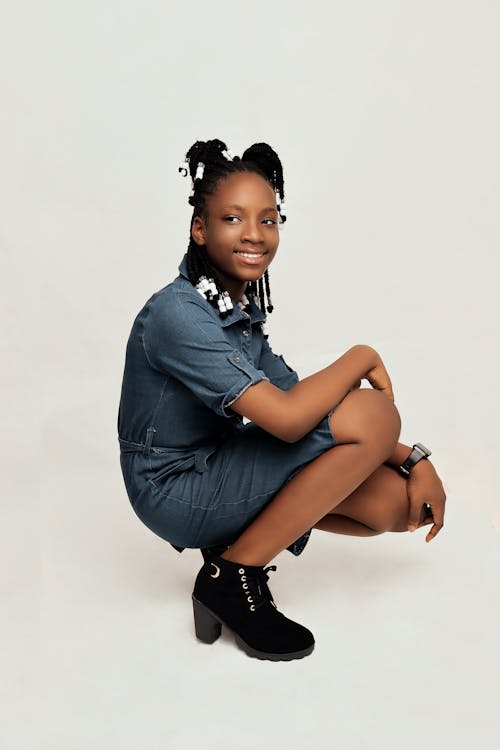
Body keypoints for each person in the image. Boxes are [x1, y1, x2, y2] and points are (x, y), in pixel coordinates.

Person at [117, 138, 447, 662]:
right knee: (370, 409)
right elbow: (294, 422)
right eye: (233, 218)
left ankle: (233, 558)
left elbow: (307, 407)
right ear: (200, 229)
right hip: (174, 490)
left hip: (218, 469)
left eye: (269, 220)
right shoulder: (177, 314)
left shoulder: (239, 317)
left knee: (391, 504)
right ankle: (232, 576)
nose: (254, 234)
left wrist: (413, 460)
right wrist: (361, 355)